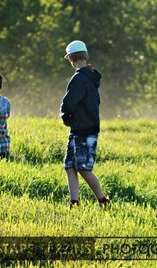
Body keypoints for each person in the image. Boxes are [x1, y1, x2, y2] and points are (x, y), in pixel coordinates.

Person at [59, 40, 110, 209]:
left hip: (83, 129)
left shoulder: (79, 78)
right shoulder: (91, 77)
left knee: (83, 168)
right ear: (86, 56)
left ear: (69, 59)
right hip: (82, 128)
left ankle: (103, 200)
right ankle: (74, 202)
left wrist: (65, 115)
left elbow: (69, 102)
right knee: (70, 165)